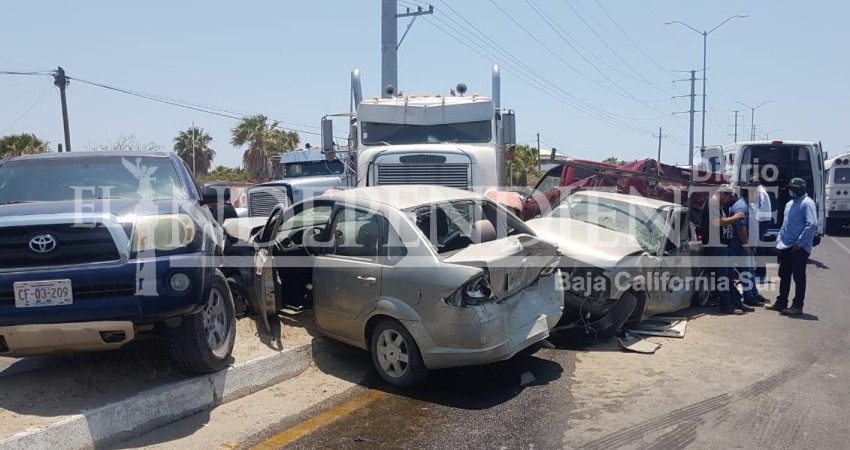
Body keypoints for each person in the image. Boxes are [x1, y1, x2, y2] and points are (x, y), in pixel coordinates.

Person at [767, 177, 817, 316]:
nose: (792, 191)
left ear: (802, 189)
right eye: (791, 188)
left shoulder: (807, 203)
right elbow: (786, 224)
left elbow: (812, 224)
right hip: (786, 245)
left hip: (798, 247)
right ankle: (781, 302)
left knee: (798, 277)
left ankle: (797, 306)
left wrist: (800, 243)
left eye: (795, 189)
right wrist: (779, 240)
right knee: (784, 274)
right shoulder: (790, 203)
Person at [700, 185, 752, 314]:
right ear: (723, 194)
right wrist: (735, 218)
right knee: (723, 276)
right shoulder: (712, 203)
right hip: (717, 246)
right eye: (728, 197)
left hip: (723, 245)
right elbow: (716, 222)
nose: (729, 201)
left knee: (728, 275)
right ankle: (726, 305)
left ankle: (736, 302)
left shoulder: (719, 206)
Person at [729, 187, 768, 306]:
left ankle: (753, 294)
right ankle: (749, 297)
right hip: (742, 246)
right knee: (746, 272)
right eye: (756, 194)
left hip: (749, 246)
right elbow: (740, 227)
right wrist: (745, 245)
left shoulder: (748, 205)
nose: (758, 196)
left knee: (751, 271)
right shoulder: (741, 207)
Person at [749, 175, 772, 278]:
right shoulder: (759, 190)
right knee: (758, 246)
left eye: (751, 181)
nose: (750, 183)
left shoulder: (760, 192)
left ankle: (761, 271)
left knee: (758, 247)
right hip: (761, 221)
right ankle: (759, 269)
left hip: (760, 221)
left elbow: (761, 207)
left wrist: (755, 221)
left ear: (757, 182)